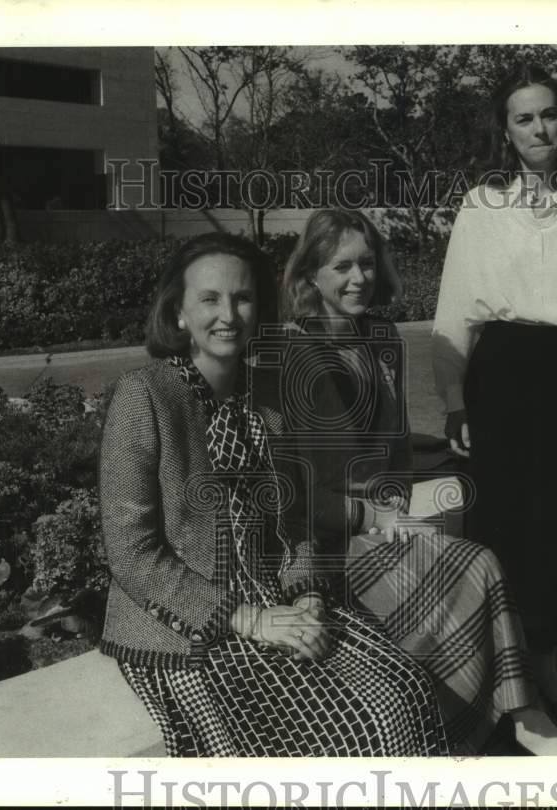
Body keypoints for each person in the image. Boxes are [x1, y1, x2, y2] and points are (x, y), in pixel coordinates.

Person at [98, 231, 448, 756]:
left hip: (276, 600)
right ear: (178, 315)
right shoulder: (144, 395)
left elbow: (293, 520)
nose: (229, 315)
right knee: (336, 731)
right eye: (210, 299)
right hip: (191, 625)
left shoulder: (265, 396)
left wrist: (308, 594)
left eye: (242, 298)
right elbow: (132, 553)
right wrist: (251, 620)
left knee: (403, 691)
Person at [281, 208, 557, 755]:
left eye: (367, 263)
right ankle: (507, 718)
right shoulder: (299, 352)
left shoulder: (379, 333)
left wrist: (437, 458)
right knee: (478, 564)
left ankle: (514, 710)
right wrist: (382, 514)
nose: (358, 278)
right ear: (310, 275)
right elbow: (303, 498)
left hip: (385, 508)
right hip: (332, 540)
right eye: (341, 266)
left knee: (488, 507)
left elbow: (387, 443)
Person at [431, 64, 557, 726]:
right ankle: (494, 668)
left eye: (548, 114)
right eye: (524, 118)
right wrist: (454, 399)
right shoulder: (480, 206)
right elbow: (456, 308)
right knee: (502, 527)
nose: (539, 127)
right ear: (507, 131)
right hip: (501, 379)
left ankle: (544, 663)